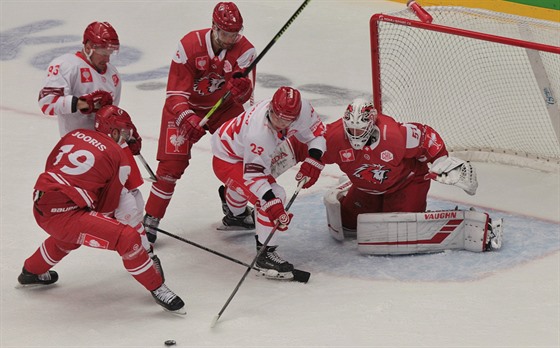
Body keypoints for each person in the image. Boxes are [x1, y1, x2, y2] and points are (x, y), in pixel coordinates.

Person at [274, 98, 502, 253]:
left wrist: (442, 161)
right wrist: (274, 164)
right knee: (348, 225)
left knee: (396, 232)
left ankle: (446, 218)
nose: (354, 135)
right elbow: (304, 145)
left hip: (406, 183)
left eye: (359, 130)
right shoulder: (334, 136)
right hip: (366, 187)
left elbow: (425, 137)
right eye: (350, 130)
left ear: (371, 125)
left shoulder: (393, 135)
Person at [17, 106, 186, 314]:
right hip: (64, 214)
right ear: (113, 132)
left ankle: (31, 271)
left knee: (69, 237)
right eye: (123, 134)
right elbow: (107, 208)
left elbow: (52, 165)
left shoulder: (75, 134)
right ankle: (158, 288)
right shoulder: (117, 157)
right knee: (127, 238)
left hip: (40, 200)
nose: (125, 138)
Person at [37, 21, 152, 262]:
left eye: (111, 51)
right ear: (88, 46)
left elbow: (111, 115)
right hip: (79, 151)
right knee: (89, 219)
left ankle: (34, 267)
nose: (107, 57)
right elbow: (46, 103)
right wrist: (81, 103)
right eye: (103, 50)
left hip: (108, 150)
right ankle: (142, 253)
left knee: (133, 196)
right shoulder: (66, 65)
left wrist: (127, 133)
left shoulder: (113, 76)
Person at [143, 2, 256, 243]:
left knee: (243, 157)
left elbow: (246, 99)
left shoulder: (246, 51)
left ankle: (235, 210)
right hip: (186, 108)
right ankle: (151, 219)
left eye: (235, 33)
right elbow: (174, 94)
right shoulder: (189, 45)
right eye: (226, 33)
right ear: (214, 27)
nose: (231, 38)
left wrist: (242, 89)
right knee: (170, 168)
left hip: (223, 109)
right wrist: (187, 117)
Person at [211, 86, 326, 279]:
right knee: (275, 195)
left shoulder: (303, 110)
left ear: (296, 116)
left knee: (260, 192)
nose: (278, 122)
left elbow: (317, 134)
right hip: (227, 160)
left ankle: (235, 216)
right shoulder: (259, 133)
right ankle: (265, 253)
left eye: (285, 119)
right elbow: (255, 178)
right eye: (275, 115)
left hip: (240, 150)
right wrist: (273, 206)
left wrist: (314, 158)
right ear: (271, 107)